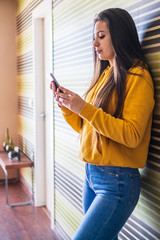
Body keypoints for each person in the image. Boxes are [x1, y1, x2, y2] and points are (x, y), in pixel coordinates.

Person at [50, 8, 155, 240]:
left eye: (101, 35)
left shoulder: (138, 77)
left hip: (117, 182)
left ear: (120, 35)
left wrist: (84, 108)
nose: (95, 43)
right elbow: (88, 128)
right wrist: (68, 107)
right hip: (91, 174)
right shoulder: (106, 75)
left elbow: (132, 134)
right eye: (94, 37)